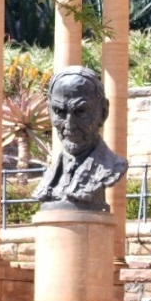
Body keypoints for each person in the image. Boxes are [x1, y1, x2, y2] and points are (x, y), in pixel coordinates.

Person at [32, 66, 128, 212]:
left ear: (103, 113)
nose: (70, 125)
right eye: (60, 111)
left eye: (81, 111)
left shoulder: (113, 165)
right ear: (49, 111)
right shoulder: (51, 174)